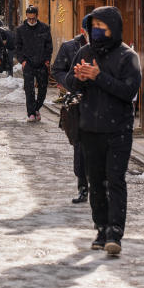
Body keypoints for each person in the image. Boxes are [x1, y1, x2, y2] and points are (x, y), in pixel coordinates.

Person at [65, 7, 141, 256]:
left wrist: (98, 76)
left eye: (102, 26)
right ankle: (100, 228)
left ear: (113, 28)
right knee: (95, 182)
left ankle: (115, 232)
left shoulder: (127, 57)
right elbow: (70, 84)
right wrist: (78, 79)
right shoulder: (84, 52)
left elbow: (127, 92)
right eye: (93, 25)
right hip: (89, 127)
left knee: (115, 180)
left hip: (118, 129)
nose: (96, 30)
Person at [53, 15, 91, 204]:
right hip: (79, 104)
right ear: (83, 30)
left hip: (103, 107)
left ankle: (103, 187)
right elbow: (58, 70)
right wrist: (71, 83)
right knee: (80, 148)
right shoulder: (71, 47)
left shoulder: (112, 50)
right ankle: (83, 186)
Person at [15, 5, 53, 122]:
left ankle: (37, 108)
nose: (31, 20)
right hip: (28, 63)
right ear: (26, 16)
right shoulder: (21, 29)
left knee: (43, 88)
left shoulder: (44, 28)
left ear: (37, 16)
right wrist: (23, 61)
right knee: (29, 89)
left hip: (42, 63)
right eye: (29, 18)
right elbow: (18, 47)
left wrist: (47, 60)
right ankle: (31, 113)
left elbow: (49, 46)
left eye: (33, 18)